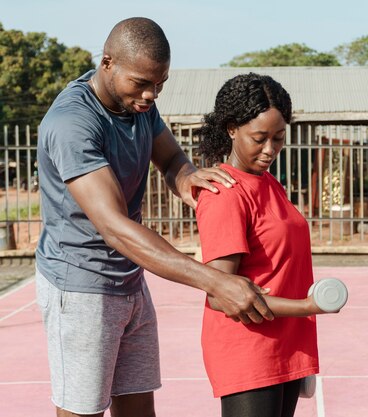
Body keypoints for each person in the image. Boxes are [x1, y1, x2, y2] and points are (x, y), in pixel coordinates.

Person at [35, 18, 273, 417]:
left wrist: (189, 182)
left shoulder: (138, 104)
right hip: (80, 288)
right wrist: (215, 281)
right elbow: (115, 228)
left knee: (139, 408)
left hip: (129, 281)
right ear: (107, 63)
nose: (150, 94)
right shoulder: (72, 124)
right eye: (142, 82)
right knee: (83, 410)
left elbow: (171, 158)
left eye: (160, 84)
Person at [196, 73, 337, 417]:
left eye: (279, 138)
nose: (270, 149)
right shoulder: (225, 194)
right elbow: (220, 294)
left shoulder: (270, 183)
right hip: (249, 350)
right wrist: (308, 306)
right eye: (260, 138)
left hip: (287, 342)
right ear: (231, 129)